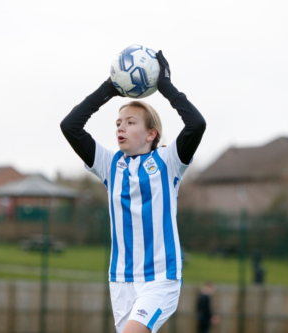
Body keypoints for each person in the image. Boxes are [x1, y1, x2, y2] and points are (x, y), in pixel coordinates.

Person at [60, 51, 206, 333]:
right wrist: (109, 88)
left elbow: (196, 124)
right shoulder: (109, 165)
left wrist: (165, 86)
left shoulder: (169, 162)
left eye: (130, 122)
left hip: (160, 278)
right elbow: (70, 126)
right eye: (118, 123)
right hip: (121, 280)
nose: (120, 127)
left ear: (151, 134)